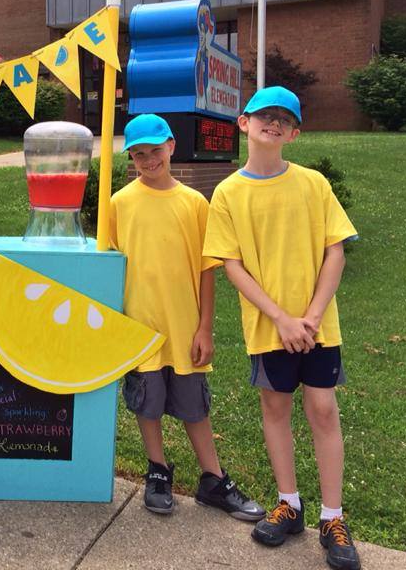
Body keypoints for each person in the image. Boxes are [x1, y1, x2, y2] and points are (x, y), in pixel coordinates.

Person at [204, 86, 361, 570]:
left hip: (318, 327)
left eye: (283, 119)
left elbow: (336, 249)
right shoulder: (228, 193)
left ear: (294, 133)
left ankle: (332, 517)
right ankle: (289, 504)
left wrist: (311, 316)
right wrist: (281, 318)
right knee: (276, 410)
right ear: (244, 123)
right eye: (264, 115)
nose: (273, 123)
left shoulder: (314, 184)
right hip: (269, 327)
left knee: (323, 410)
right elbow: (232, 265)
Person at [109, 114, 265, 521]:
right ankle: (157, 471)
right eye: (139, 154)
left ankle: (213, 478)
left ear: (172, 146)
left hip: (185, 330)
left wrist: (204, 327)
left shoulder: (195, 204)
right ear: (131, 158)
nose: (148, 160)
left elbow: (205, 270)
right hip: (140, 329)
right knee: (147, 405)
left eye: (155, 151)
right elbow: (109, 265)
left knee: (195, 406)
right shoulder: (120, 203)